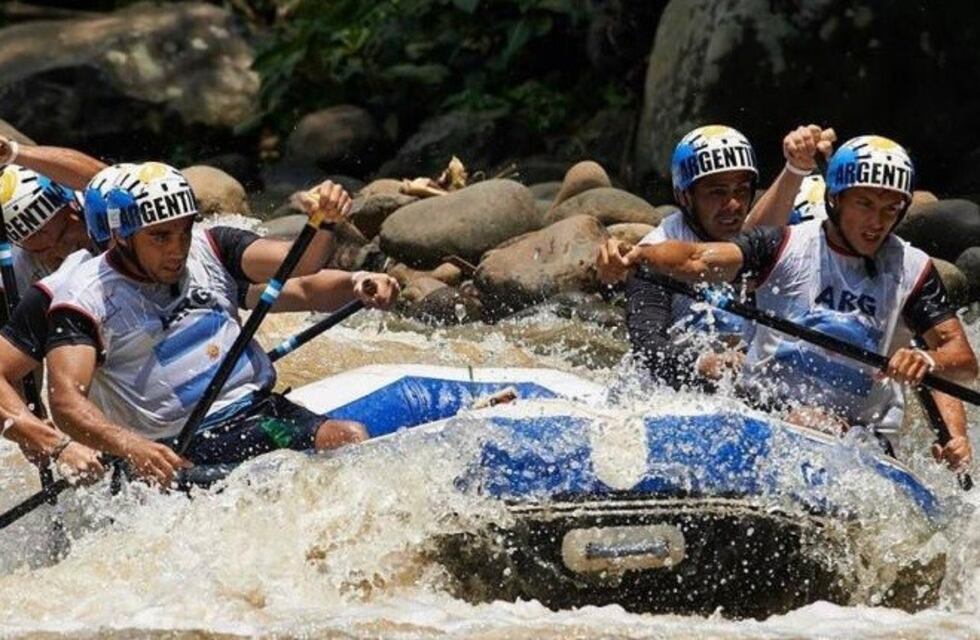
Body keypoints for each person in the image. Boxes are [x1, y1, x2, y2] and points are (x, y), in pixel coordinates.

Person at [599, 135, 976, 469]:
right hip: (767, 415)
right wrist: (637, 257)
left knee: (820, 424)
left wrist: (936, 385)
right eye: (864, 204)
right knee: (799, 420)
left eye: (889, 209)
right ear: (835, 199)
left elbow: (958, 360)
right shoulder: (781, 245)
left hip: (862, 436)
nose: (876, 222)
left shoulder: (913, 269)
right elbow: (697, 259)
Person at [43, 162, 398, 487]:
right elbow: (66, 403)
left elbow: (300, 263)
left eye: (183, 231)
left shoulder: (212, 246)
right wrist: (133, 447)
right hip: (172, 449)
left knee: (348, 438)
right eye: (160, 237)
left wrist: (325, 222)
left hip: (255, 413)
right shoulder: (82, 300)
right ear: (121, 237)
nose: (177, 249)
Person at [599, 124, 835, 388]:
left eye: (741, 191)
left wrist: (798, 167)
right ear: (684, 196)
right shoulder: (654, 253)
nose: (733, 205)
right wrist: (703, 363)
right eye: (717, 192)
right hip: (671, 389)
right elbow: (647, 349)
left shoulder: (755, 245)